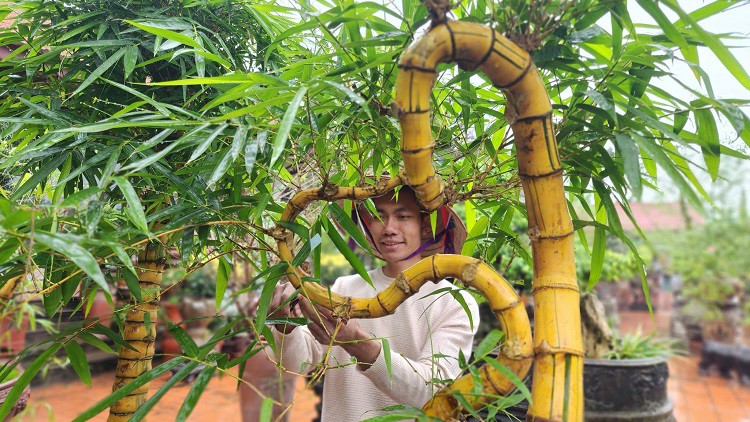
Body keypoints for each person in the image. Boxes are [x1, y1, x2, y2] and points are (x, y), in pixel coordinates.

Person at [268, 185, 479, 421]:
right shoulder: (343, 290)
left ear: (425, 224)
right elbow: (297, 365)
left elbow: (433, 392)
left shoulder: (453, 303)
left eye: (403, 216)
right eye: (378, 215)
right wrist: (285, 328)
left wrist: (358, 343)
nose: (389, 229)